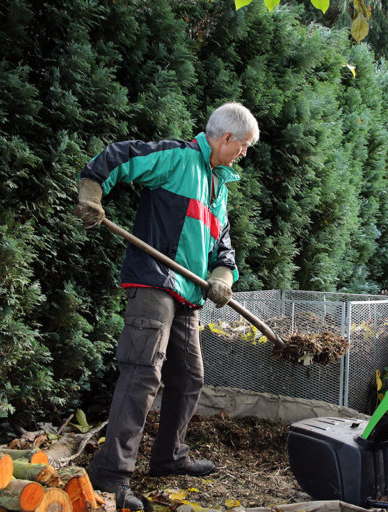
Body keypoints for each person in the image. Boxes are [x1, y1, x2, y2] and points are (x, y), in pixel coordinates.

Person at [75, 103, 259, 512]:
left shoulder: (218, 187)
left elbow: (223, 247)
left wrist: (223, 278)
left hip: (188, 296)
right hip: (154, 280)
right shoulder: (177, 158)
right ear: (226, 138)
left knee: (189, 377)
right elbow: (119, 157)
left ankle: (168, 457)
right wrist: (92, 190)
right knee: (143, 373)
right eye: (244, 146)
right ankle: (111, 476)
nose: (244, 153)